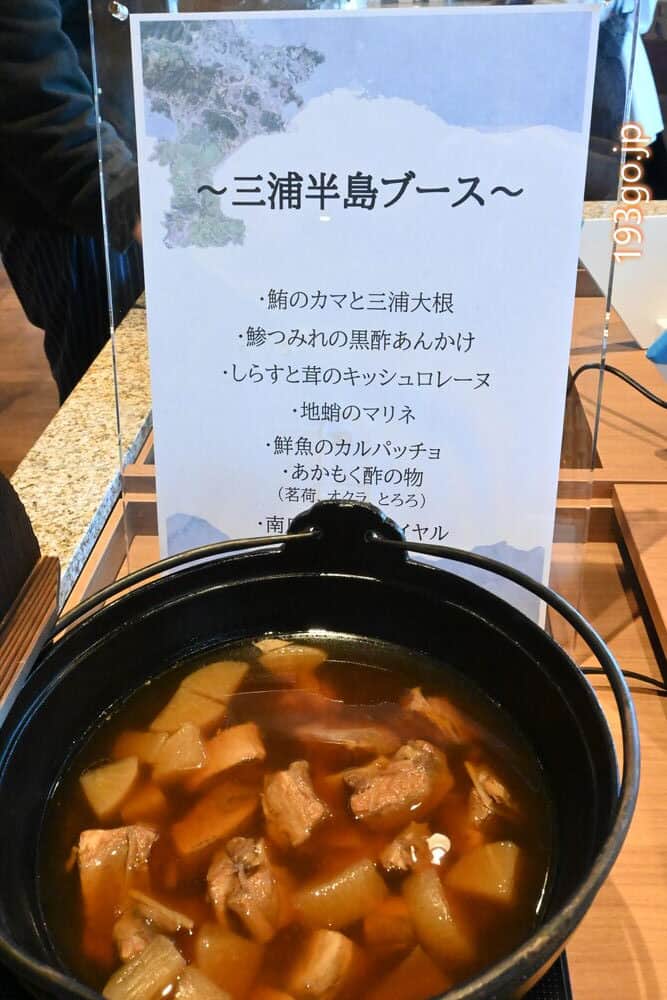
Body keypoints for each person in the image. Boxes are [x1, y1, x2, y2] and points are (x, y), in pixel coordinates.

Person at [0, 0, 143, 403]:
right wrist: (126, 193)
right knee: (112, 397)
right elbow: (26, 77)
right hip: (76, 193)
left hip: (150, 161)